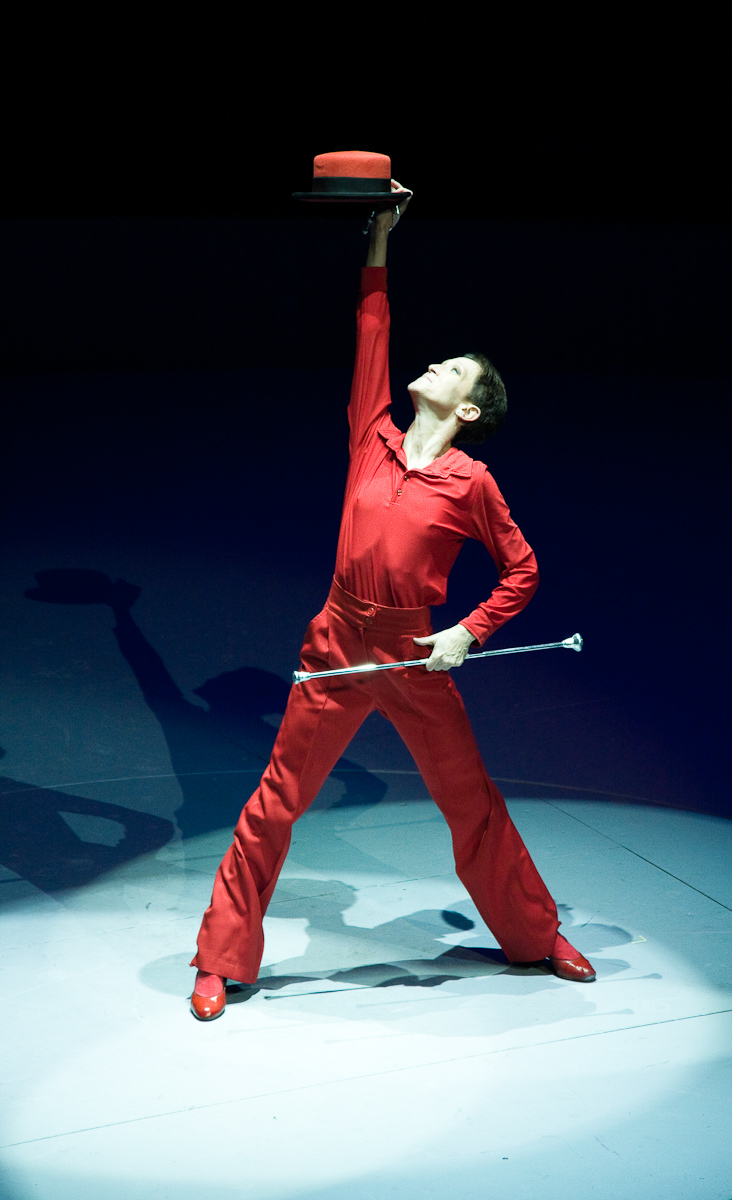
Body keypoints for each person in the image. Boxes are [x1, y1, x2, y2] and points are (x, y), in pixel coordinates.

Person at [190, 183, 595, 1020]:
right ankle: (219, 958)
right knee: (275, 802)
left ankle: (536, 934)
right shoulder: (370, 436)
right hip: (337, 643)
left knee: (471, 804)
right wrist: (378, 236)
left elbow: (522, 572)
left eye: (453, 369)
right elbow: (371, 330)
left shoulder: (471, 482)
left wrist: (467, 632)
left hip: (415, 657)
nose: (434, 364)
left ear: (468, 408)